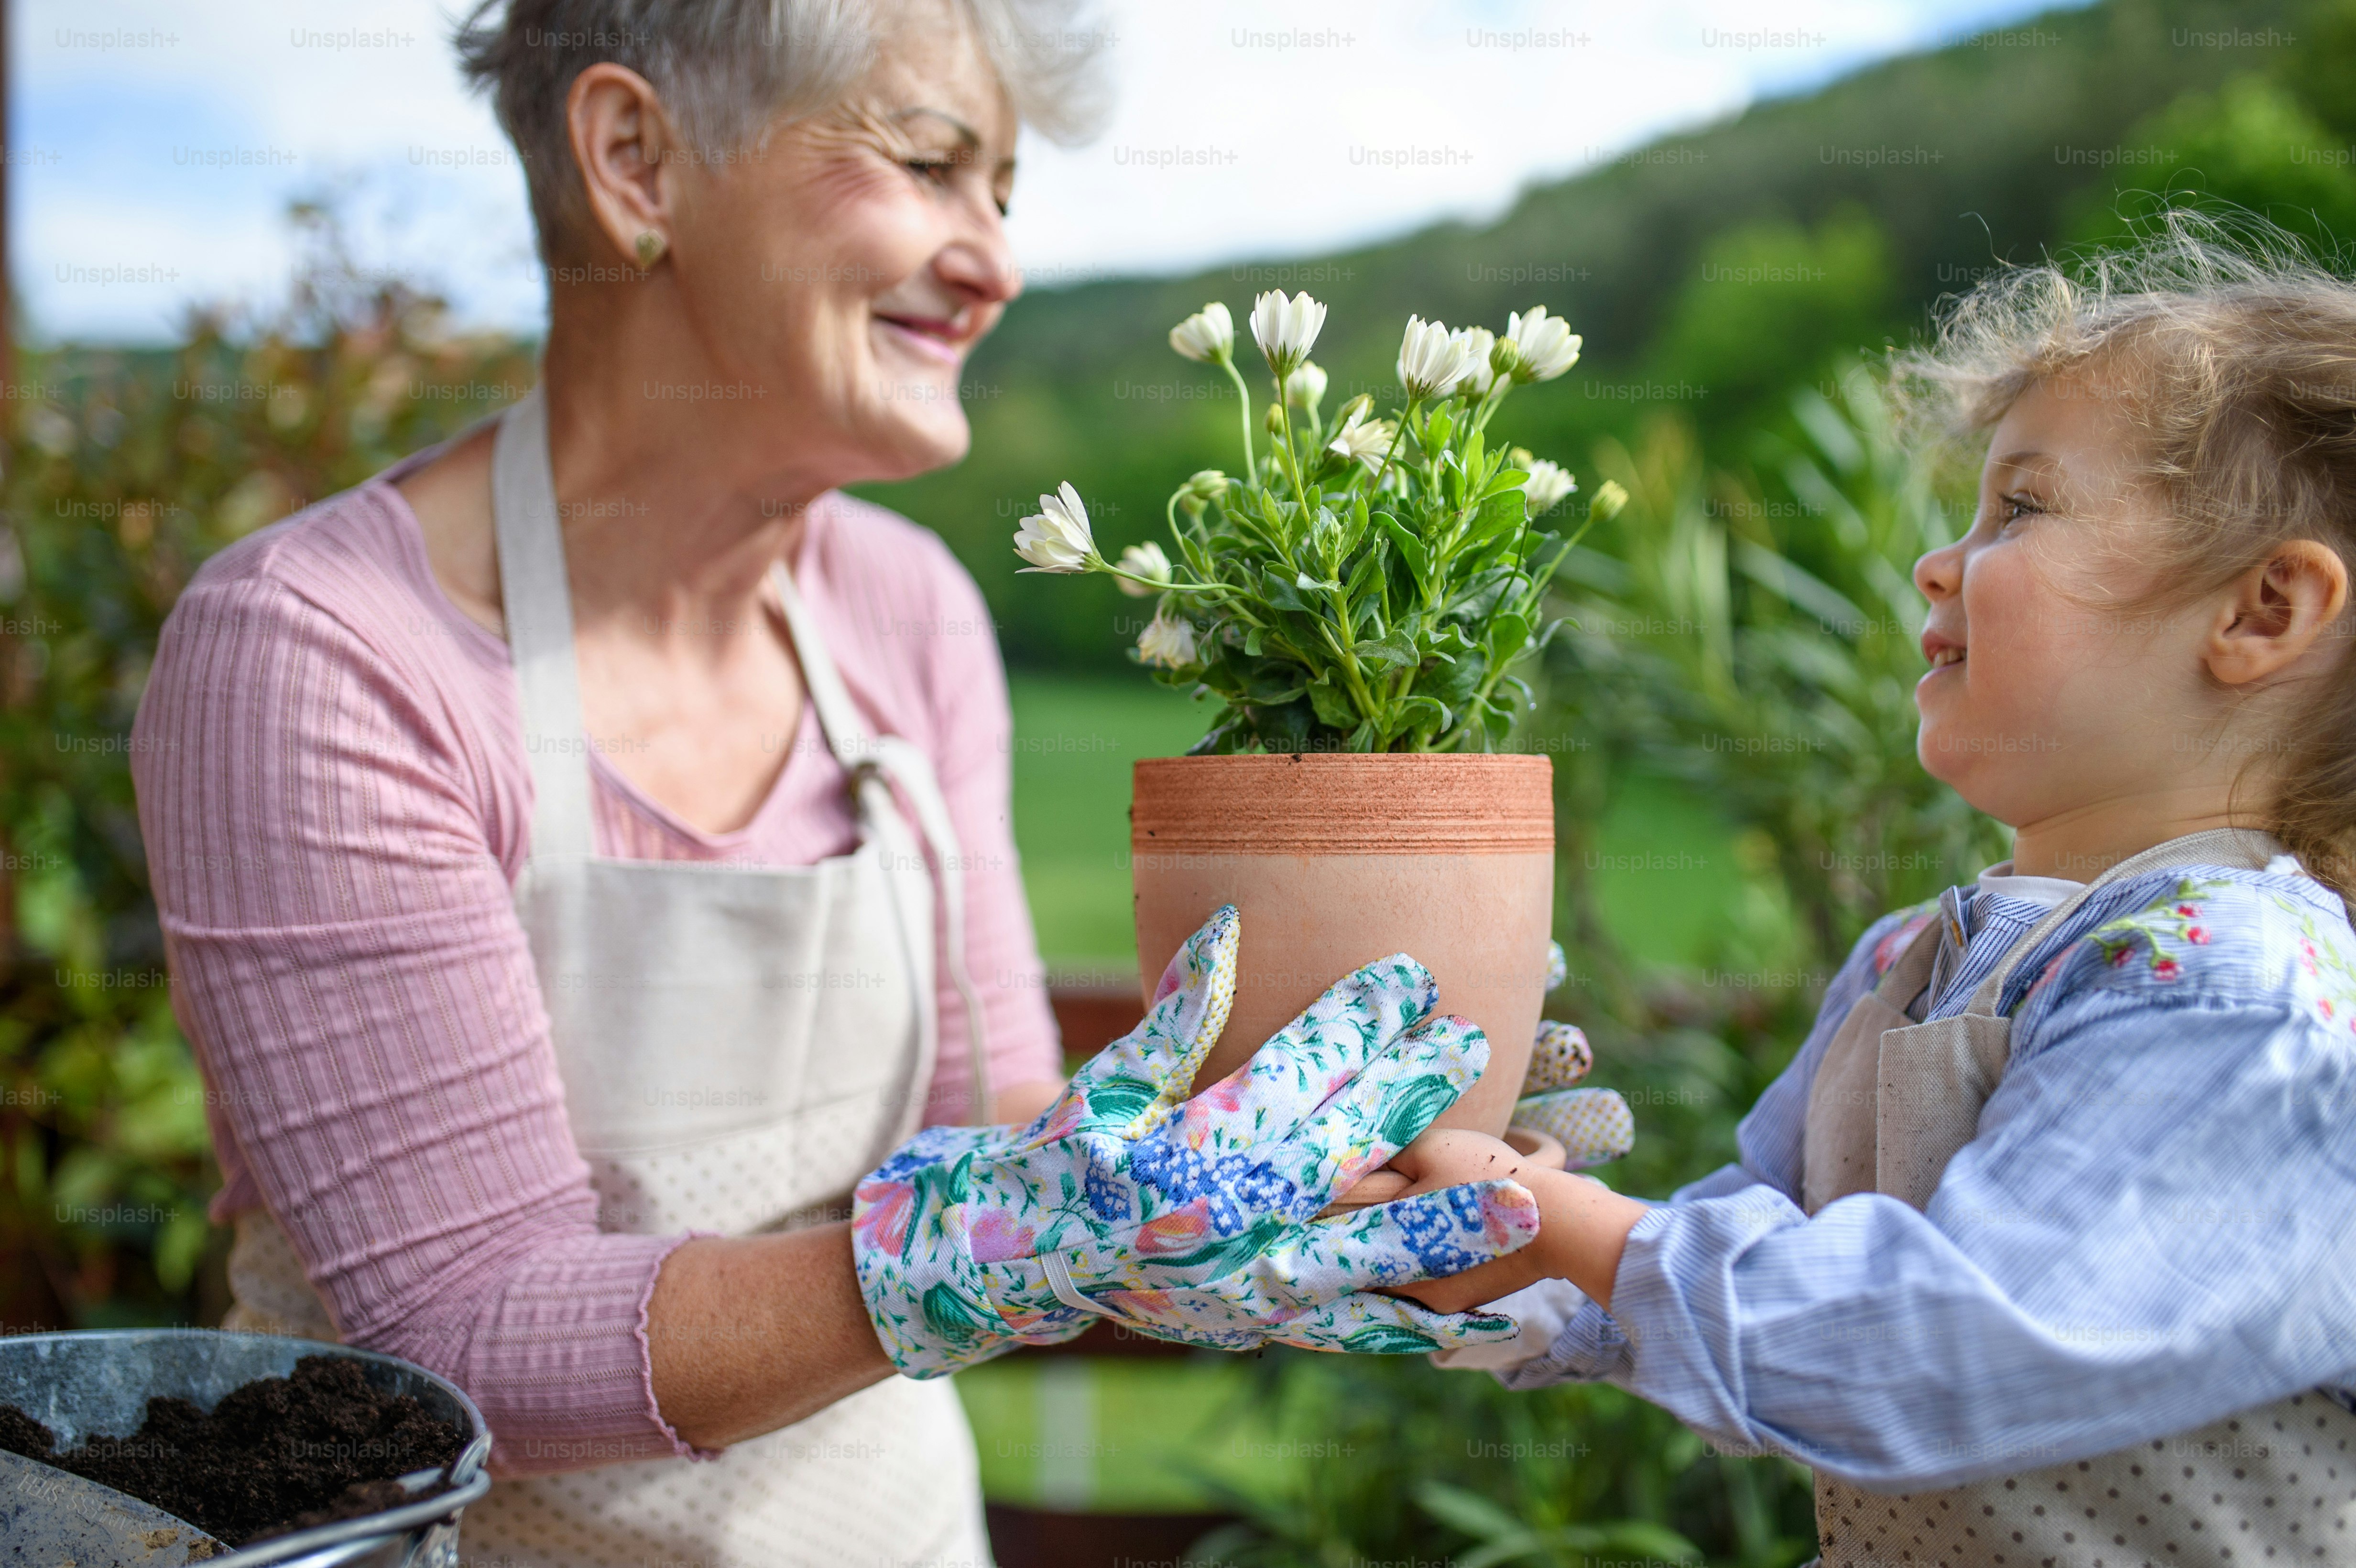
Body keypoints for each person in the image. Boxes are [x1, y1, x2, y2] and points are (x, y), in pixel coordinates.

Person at [124, 3, 1559, 1565]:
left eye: (1004, 192)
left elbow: (1014, 1114)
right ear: (635, 162)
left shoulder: (909, 610)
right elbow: (462, 1326)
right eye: (932, 163)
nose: (996, 261)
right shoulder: (326, 655)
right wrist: (993, 1247)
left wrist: (1316, 1164)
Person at [1392, 227, 2356, 1567]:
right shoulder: (1916, 957)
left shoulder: (2243, 994)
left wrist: (1590, 1237)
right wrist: (1524, 1256)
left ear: (2262, 611)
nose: (1938, 562)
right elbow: (1783, 1285)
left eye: (2020, 508)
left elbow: (1946, 1350)